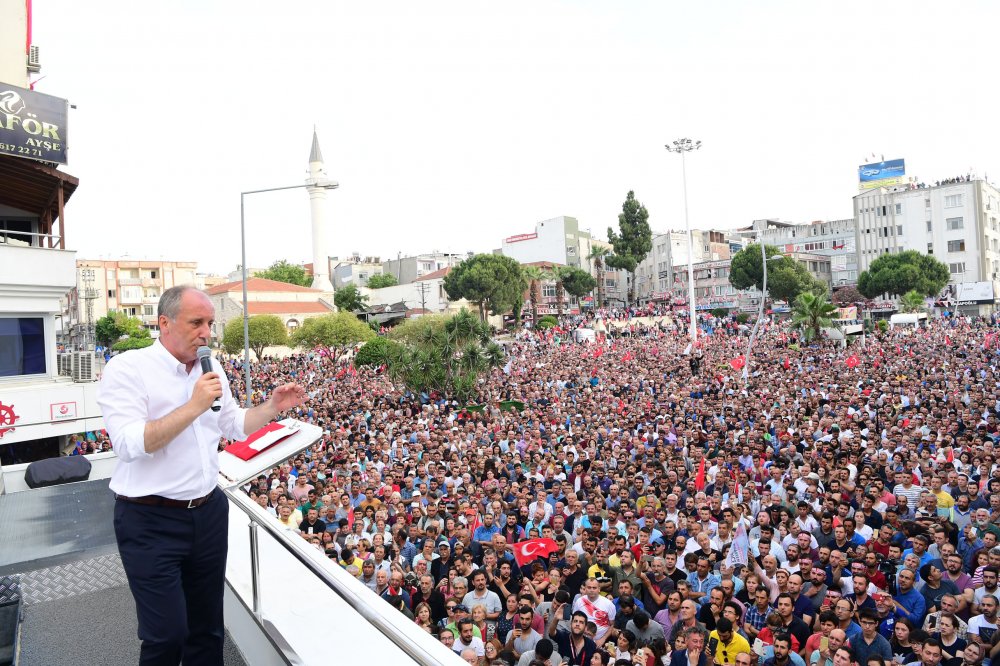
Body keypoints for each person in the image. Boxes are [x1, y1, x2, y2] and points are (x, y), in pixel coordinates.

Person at [99, 286, 306, 665]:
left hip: (208, 512)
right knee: (166, 636)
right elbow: (130, 444)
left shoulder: (212, 369)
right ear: (164, 323)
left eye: (210, 323)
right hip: (149, 520)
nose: (206, 332)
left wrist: (272, 406)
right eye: (197, 322)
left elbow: (235, 425)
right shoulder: (128, 369)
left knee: (207, 628)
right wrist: (193, 405)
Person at [548, 600, 599, 666]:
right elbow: (552, 632)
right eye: (575, 621)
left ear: (585, 627)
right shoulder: (564, 637)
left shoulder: (591, 645)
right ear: (570, 624)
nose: (577, 624)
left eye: (581, 622)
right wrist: (556, 618)